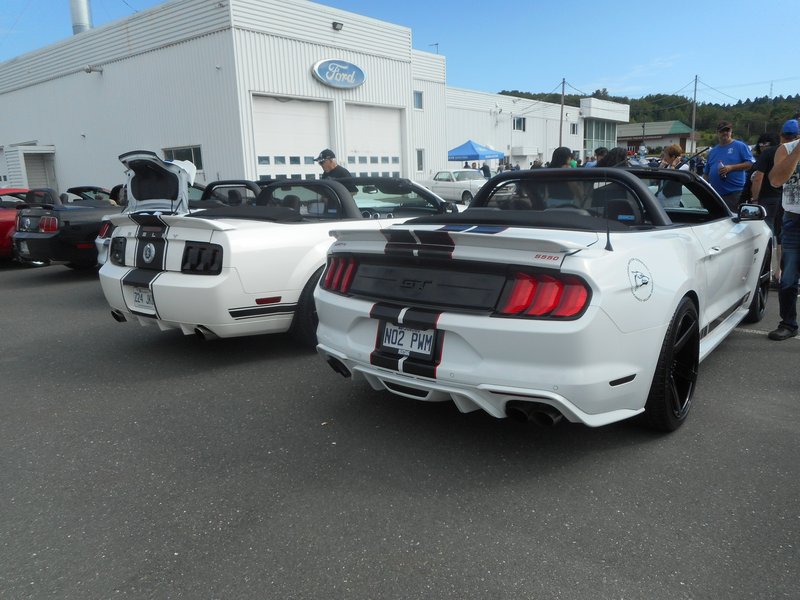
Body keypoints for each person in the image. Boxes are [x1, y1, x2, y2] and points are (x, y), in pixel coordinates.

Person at [766, 119, 800, 340]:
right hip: (793, 220)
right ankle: (788, 324)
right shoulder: (786, 149)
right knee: (787, 280)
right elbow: (776, 180)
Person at [703, 120, 755, 210]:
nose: (725, 133)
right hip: (715, 194)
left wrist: (731, 168)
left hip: (734, 194)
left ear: (731, 132)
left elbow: (751, 164)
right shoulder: (713, 151)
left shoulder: (740, 146)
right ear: (717, 133)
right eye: (722, 131)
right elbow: (706, 173)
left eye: (727, 130)